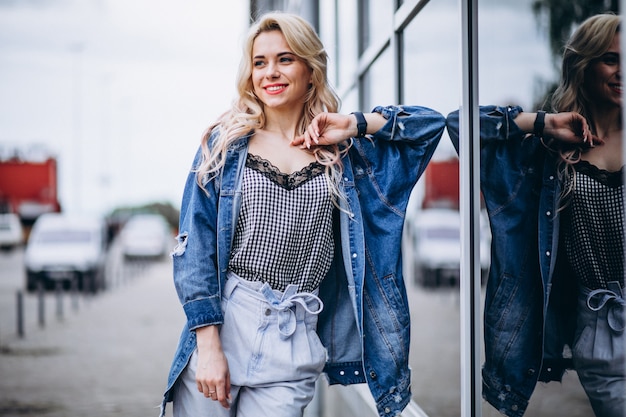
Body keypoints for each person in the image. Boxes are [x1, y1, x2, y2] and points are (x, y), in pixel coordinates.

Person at [158, 11, 446, 417]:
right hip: (226, 325)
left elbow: (429, 126)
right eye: (260, 63)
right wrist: (208, 347)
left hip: (294, 337)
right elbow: (195, 248)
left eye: (285, 59)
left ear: (311, 70)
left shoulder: (342, 154)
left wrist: (354, 124)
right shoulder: (224, 147)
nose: (270, 73)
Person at [446, 13, 624, 417]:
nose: (621, 70)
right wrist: (543, 123)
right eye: (611, 59)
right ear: (585, 65)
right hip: (604, 331)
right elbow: (462, 125)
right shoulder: (551, 153)